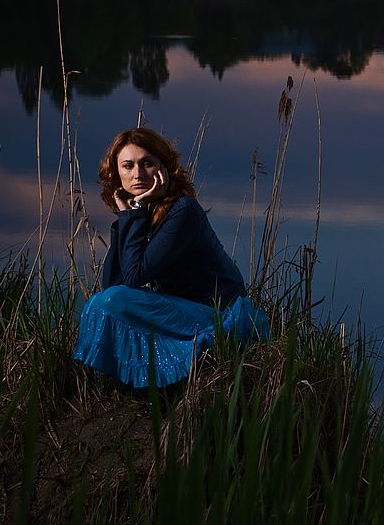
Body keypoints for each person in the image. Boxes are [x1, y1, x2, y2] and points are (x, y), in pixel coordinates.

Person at [73, 127, 269, 390]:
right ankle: (133, 386)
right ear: (116, 174)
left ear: (163, 168)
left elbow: (132, 279)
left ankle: (158, 382)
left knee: (108, 302)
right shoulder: (143, 213)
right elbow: (115, 283)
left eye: (147, 163)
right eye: (128, 166)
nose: (138, 174)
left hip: (219, 318)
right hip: (181, 312)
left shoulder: (183, 211)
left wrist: (134, 213)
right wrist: (128, 217)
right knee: (104, 302)